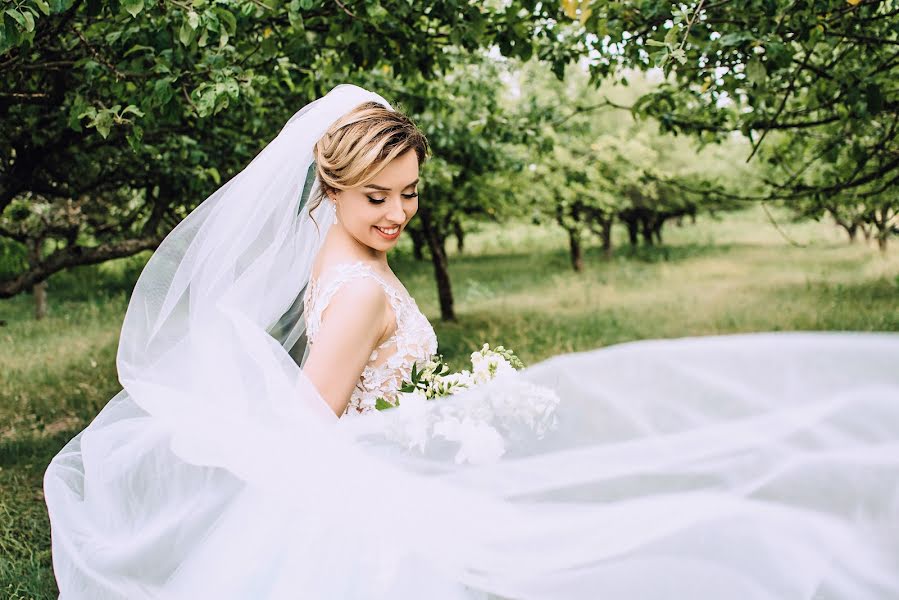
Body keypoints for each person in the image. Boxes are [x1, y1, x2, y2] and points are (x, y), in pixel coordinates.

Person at [43, 84, 899, 599]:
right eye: (377, 195)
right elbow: (311, 425)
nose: (397, 215)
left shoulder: (334, 257)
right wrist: (424, 436)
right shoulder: (361, 296)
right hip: (352, 502)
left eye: (410, 195)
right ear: (331, 188)